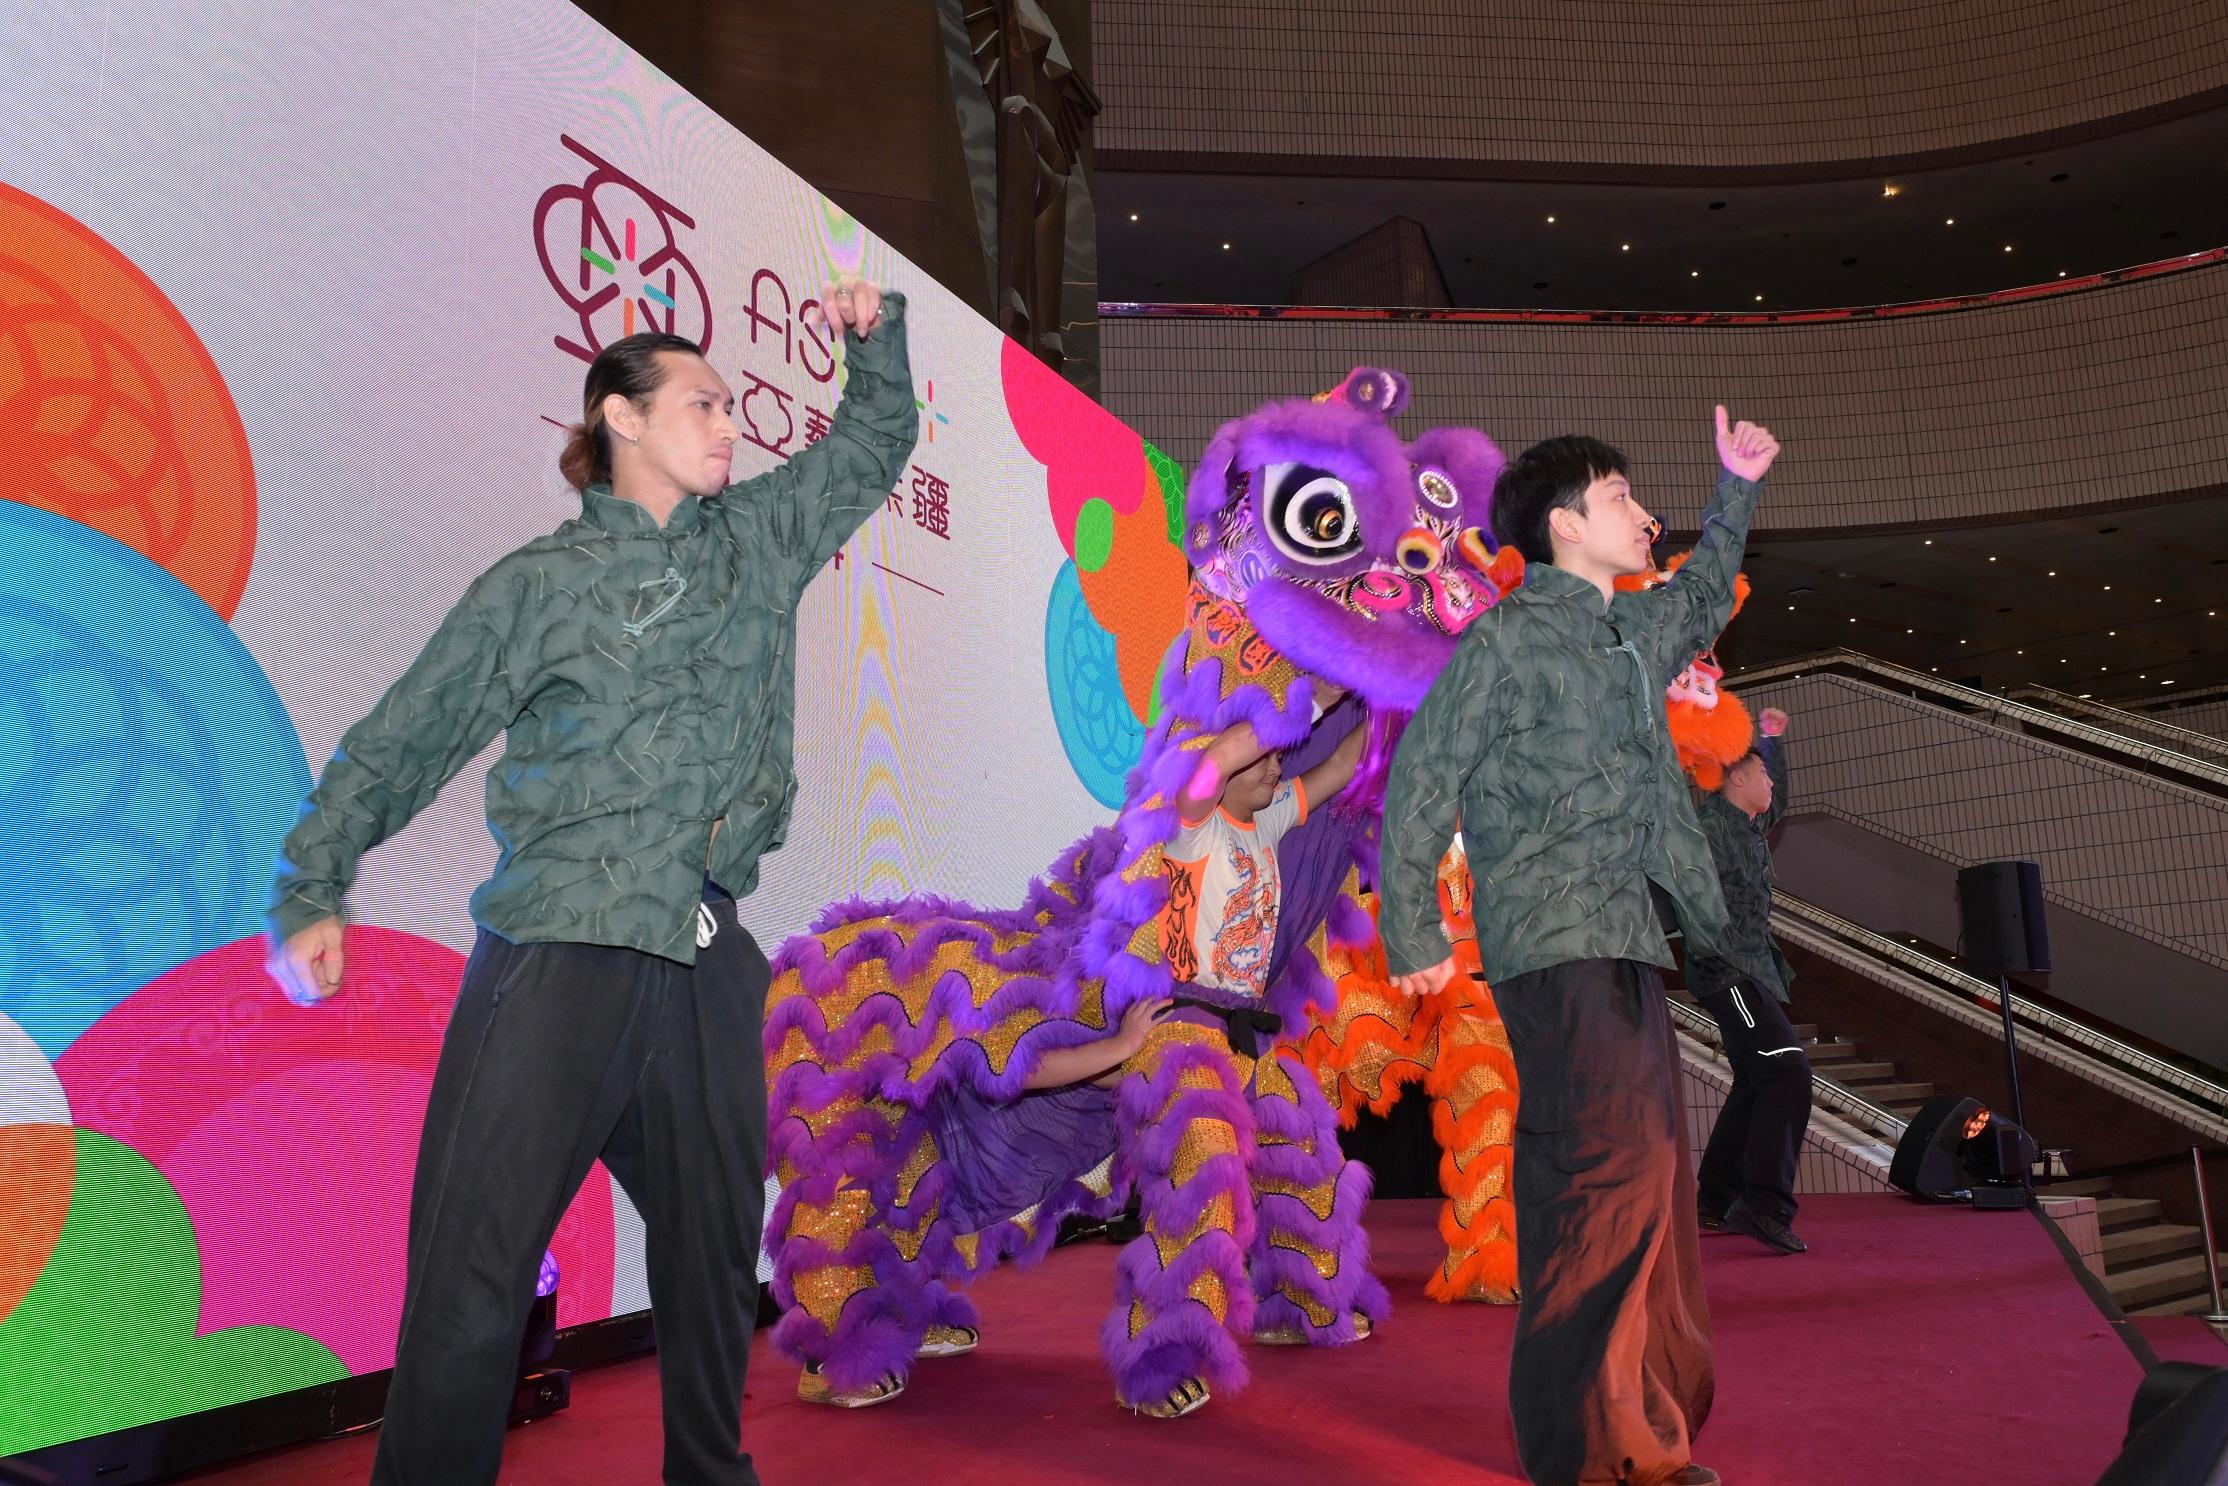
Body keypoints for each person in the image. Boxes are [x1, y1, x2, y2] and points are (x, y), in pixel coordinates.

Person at [264, 277, 916, 1486]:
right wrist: (314, 882)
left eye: (733, 406)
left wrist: (874, 345)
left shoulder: (759, 541)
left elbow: (875, 444)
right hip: (561, 940)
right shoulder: (538, 587)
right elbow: (407, 734)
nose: (731, 424)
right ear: (620, 416)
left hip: (706, 942)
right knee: (476, 1256)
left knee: (720, 1246)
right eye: (703, 403)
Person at [1381, 407, 1782, 1486]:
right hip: (1549, 946)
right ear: (1563, 524)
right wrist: (1412, 924)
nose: (1643, 516)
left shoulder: (1628, 627)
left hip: (1623, 941)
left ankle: (1646, 1419)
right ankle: (1593, 1449)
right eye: (1618, 498)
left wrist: (1731, 486)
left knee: (1650, 1182)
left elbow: (1700, 598)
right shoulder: (1509, 637)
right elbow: (1423, 776)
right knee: (1597, 1186)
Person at [1688, 709, 1812, 1255]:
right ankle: (1763, 1206)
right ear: (1737, 777)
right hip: (1727, 971)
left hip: (1748, 970)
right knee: (1786, 1074)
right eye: (1763, 772)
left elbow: (1776, 800)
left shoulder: (1745, 823)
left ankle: (1716, 1198)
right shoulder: (1710, 828)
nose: (1770, 783)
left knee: (1756, 1080)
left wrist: (1772, 742)